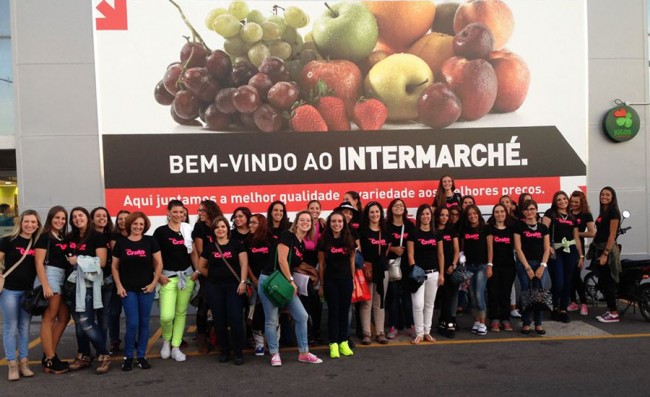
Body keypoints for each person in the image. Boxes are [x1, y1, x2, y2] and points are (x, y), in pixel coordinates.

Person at [258, 210, 323, 366]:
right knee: (272, 320)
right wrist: (292, 280)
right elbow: (281, 260)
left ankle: (304, 353)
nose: (305, 222)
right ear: (296, 221)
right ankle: (274, 354)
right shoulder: (288, 236)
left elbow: (294, 265)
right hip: (271, 280)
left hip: (286, 283)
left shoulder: (300, 244)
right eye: (302, 219)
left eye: (308, 220)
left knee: (302, 316)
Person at [112, 212, 162, 371]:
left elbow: (159, 263)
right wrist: (119, 286)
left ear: (145, 225)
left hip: (146, 289)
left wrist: (154, 283)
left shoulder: (150, 241)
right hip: (128, 290)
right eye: (135, 224)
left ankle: (141, 356)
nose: (138, 227)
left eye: (141, 224)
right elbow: (114, 266)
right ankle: (128, 357)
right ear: (129, 225)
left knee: (144, 323)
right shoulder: (121, 243)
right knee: (132, 323)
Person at [65, 207, 111, 374]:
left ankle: (104, 354)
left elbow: (102, 262)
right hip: (71, 286)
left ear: (87, 217)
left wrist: (79, 260)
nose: (78, 219)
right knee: (79, 324)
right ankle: (83, 355)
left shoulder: (97, 237)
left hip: (88, 286)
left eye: (80, 215)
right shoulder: (70, 237)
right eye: (74, 217)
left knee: (86, 322)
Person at [198, 216, 249, 365]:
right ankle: (225, 351)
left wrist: (243, 282)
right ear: (214, 231)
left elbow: (244, 264)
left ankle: (238, 352)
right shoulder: (210, 247)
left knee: (236, 320)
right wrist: (213, 276)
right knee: (219, 320)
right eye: (217, 227)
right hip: (214, 288)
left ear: (227, 228)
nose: (220, 229)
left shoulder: (237, 244)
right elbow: (201, 267)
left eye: (223, 226)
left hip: (234, 287)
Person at [153, 200, 198, 362]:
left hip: (187, 278)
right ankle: (166, 341)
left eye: (182, 213)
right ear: (168, 212)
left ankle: (176, 347)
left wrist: (197, 271)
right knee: (166, 316)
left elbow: (193, 253)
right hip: (167, 279)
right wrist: (158, 276)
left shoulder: (188, 230)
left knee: (180, 314)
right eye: (176, 212)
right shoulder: (160, 232)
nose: (179, 215)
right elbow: (155, 257)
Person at [0, 210, 41, 381]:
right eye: (27, 221)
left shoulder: (38, 243)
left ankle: (24, 363)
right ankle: (12, 365)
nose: (30, 225)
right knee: (10, 328)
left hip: (28, 292)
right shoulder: (7, 241)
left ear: (37, 224)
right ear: (20, 222)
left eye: (33, 222)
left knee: (24, 328)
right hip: (9, 290)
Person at [35, 206, 70, 374]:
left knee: (64, 317)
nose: (60, 221)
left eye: (63, 218)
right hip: (51, 276)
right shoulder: (44, 237)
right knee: (49, 317)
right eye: (57, 218)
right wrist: (45, 285)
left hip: (63, 277)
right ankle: (50, 359)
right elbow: (39, 262)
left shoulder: (61, 237)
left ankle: (49, 354)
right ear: (50, 218)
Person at [542, 191, 584, 323]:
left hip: (570, 251)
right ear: (555, 201)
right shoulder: (550, 213)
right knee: (558, 282)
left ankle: (563, 310)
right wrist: (548, 246)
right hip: (556, 252)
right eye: (559, 199)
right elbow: (543, 231)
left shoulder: (572, 217)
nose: (562, 201)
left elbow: (576, 238)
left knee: (567, 282)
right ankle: (554, 307)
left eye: (564, 199)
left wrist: (581, 255)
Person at [318, 211, 355, 358]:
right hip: (330, 281)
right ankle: (333, 344)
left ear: (344, 223)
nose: (337, 224)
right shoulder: (324, 241)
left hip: (346, 281)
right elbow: (321, 265)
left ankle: (343, 342)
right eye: (334, 221)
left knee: (344, 312)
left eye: (340, 221)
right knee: (333, 312)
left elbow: (352, 262)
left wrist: (352, 281)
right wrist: (321, 285)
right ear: (329, 223)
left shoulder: (349, 240)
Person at [407, 204, 444, 344]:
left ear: (431, 216)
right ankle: (419, 333)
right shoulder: (414, 233)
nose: (425, 216)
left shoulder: (436, 234)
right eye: (422, 214)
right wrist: (414, 270)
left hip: (434, 273)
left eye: (428, 214)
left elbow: (440, 255)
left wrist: (441, 274)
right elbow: (410, 254)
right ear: (419, 216)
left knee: (429, 304)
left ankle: (427, 332)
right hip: (418, 275)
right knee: (417, 304)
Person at [514, 199, 550, 334]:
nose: (530, 212)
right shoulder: (519, 227)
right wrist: (528, 268)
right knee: (526, 292)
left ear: (536, 210)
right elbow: (518, 248)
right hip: (525, 264)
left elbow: (547, 249)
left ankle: (539, 323)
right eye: (527, 209)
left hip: (541, 264)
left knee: (539, 293)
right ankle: (526, 322)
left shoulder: (543, 228)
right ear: (523, 212)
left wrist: (542, 266)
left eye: (532, 209)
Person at [191, 199, 223, 353]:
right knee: (203, 306)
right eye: (199, 211)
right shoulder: (199, 227)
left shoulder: (219, 225)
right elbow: (200, 251)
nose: (200, 213)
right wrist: (201, 271)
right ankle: (202, 339)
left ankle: (216, 337)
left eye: (202, 210)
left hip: (220, 270)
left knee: (219, 306)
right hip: (206, 272)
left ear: (210, 211)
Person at [358, 201, 389, 345]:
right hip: (367, 270)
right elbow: (360, 252)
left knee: (380, 302)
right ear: (367, 214)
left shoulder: (385, 229)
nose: (375, 214)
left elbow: (387, 250)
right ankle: (366, 333)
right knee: (366, 303)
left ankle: (380, 332)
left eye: (377, 212)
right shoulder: (363, 231)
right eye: (372, 212)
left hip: (382, 270)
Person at [90, 207, 118, 356]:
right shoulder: (87, 236)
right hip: (89, 280)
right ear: (92, 219)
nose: (102, 218)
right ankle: (94, 349)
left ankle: (102, 350)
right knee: (88, 318)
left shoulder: (111, 236)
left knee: (104, 316)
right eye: (98, 216)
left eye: (104, 215)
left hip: (107, 279)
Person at [385, 198, 415, 339]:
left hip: (406, 266)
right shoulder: (386, 225)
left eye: (401, 205)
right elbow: (381, 245)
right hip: (391, 266)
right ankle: (393, 326)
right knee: (393, 298)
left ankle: (410, 325)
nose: (398, 207)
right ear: (391, 209)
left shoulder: (409, 225)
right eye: (396, 205)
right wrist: (393, 249)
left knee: (408, 298)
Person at [593, 187, 622, 323]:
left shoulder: (613, 211)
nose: (604, 196)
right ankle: (610, 309)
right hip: (599, 248)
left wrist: (605, 253)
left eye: (608, 195)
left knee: (608, 281)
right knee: (603, 281)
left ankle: (614, 313)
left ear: (612, 197)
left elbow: (612, 234)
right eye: (602, 194)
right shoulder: (603, 211)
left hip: (607, 251)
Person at [245, 214, 272, 356]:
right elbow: (246, 263)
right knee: (254, 313)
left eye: (254, 223)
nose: (250, 225)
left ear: (261, 224)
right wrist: (254, 279)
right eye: (250, 223)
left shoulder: (271, 240)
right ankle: (259, 343)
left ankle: (271, 341)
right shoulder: (247, 241)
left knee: (270, 312)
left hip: (270, 281)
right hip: (254, 281)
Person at [459, 204, 489, 335]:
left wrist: (490, 265)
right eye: (470, 214)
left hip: (482, 266)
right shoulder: (464, 230)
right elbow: (462, 249)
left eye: (474, 213)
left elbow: (490, 248)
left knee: (478, 294)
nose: (472, 216)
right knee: (471, 296)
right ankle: (476, 321)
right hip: (469, 267)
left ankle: (483, 324)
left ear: (478, 214)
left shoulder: (485, 229)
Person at [487, 204, 516, 332]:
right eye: (497, 212)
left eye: (502, 212)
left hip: (509, 266)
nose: (500, 214)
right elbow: (489, 249)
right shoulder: (490, 229)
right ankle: (494, 320)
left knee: (506, 293)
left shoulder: (511, 229)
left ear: (506, 213)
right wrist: (489, 265)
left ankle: (505, 319)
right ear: (493, 214)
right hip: (494, 266)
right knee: (493, 294)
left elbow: (518, 247)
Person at [568, 190, 595, 315]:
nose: (573, 204)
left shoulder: (586, 215)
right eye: (572, 201)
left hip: (578, 249)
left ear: (582, 202)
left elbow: (592, 232)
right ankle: (573, 302)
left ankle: (583, 303)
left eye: (576, 202)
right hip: (566, 247)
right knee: (569, 277)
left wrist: (576, 233)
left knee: (576, 276)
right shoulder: (568, 213)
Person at [301, 200, 325, 344]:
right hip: (304, 269)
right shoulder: (302, 225)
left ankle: (316, 332)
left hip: (319, 266)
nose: (314, 210)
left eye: (317, 208)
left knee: (318, 303)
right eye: (312, 208)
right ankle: (308, 334)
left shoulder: (323, 226)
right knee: (306, 302)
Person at [435, 207, 459, 338]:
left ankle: (447, 323)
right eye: (442, 215)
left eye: (446, 215)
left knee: (448, 298)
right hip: (436, 268)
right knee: (438, 298)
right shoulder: (433, 230)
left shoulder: (451, 231)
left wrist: (453, 265)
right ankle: (442, 322)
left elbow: (456, 250)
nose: (444, 217)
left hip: (450, 268)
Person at [108, 209, 129, 354]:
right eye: (120, 219)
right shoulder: (114, 236)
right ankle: (114, 341)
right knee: (114, 312)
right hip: (116, 279)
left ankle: (131, 338)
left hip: (132, 279)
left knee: (131, 313)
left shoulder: (138, 235)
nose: (122, 221)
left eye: (125, 218)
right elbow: (118, 255)